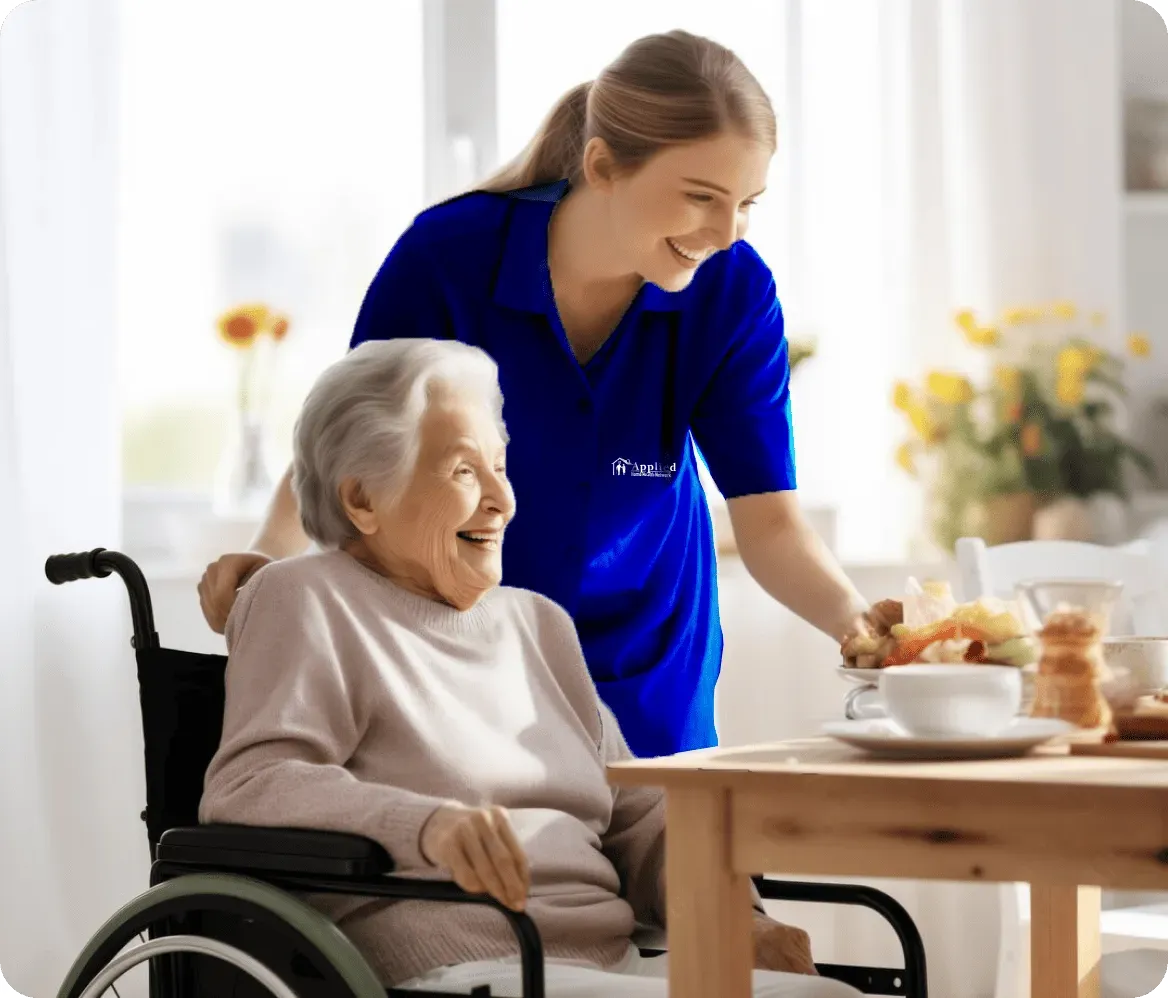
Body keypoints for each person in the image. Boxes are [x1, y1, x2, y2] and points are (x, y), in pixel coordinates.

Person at [199, 30, 880, 759]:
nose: (725, 232)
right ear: (602, 165)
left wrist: (868, 629)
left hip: (647, 677)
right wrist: (269, 556)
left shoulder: (734, 293)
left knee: (668, 866)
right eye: (701, 197)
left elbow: (770, 524)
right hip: (466, 665)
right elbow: (341, 453)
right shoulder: (448, 261)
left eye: (748, 202)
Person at [199, 338, 860, 998]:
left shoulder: (537, 625)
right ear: (363, 499)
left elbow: (638, 820)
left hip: (608, 960)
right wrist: (426, 825)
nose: (501, 501)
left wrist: (733, 916)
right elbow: (252, 784)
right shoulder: (306, 597)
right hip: (465, 965)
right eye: (464, 472)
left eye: (499, 468)